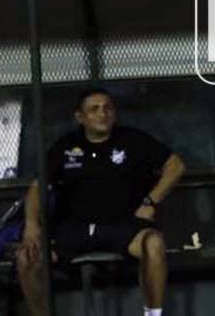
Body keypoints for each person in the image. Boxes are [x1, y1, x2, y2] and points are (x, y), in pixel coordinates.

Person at [16, 89, 185, 316]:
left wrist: (150, 202)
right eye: (94, 110)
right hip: (73, 229)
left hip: (124, 226)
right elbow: (38, 187)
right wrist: (31, 225)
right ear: (80, 117)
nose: (102, 114)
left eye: (107, 108)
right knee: (27, 258)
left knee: (154, 244)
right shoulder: (65, 147)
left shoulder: (133, 140)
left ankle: (153, 314)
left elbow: (176, 166)